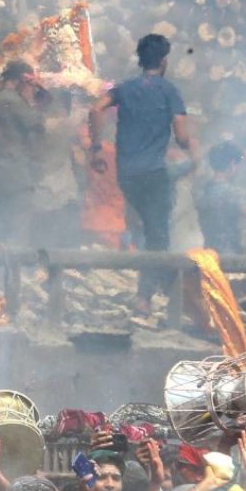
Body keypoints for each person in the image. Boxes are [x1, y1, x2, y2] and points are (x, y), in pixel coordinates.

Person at [88, 33, 195, 304]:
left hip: (127, 174)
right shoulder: (169, 91)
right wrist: (193, 149)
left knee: (144, 227)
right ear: (164, 61)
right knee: (157, 234)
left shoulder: (124, 88)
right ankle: (146, 297)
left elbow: (96, 108)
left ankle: (155, 288)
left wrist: (96, 146)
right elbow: (182, 137)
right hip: (153, 175)